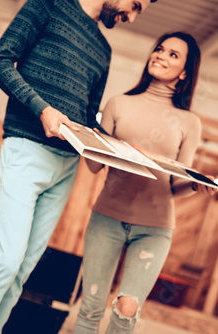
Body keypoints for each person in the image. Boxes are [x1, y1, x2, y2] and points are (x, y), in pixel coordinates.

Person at [0, 0, 156, 333]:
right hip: (26, 149)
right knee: (4, 263)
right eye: (134, 6)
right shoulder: (47, 5)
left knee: (21, 272)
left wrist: (119, 147)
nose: (130, 18)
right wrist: (42, 109)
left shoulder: (103, 48)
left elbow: (89, 117)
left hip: (67, 166)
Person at [73, 32, 216, 334]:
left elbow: (174, 185)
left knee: (128, 309)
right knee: (90, 306)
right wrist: (91, 136)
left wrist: (196, 185)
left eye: (173, 55)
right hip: (106, 219)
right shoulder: (118, 104)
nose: (161, 55)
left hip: (155, 228)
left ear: (185, 73)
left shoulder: (189, 122)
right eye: (160, 49)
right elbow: (95, 165)